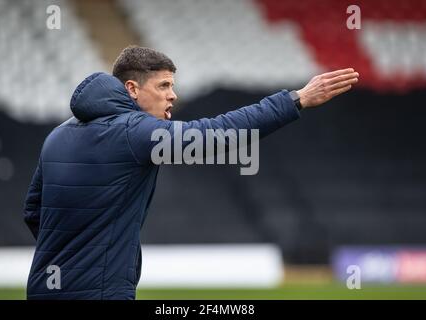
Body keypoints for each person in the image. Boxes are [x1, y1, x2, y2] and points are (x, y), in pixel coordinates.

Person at [23, 45, 359, 300]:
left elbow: (33, 211)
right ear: (131, 89)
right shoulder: (134, 132)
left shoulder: (57, 136)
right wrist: (295, 100)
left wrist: (74, 255)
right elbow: (216, 135)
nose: (173, 95)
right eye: (164, 86)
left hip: (42, 286)